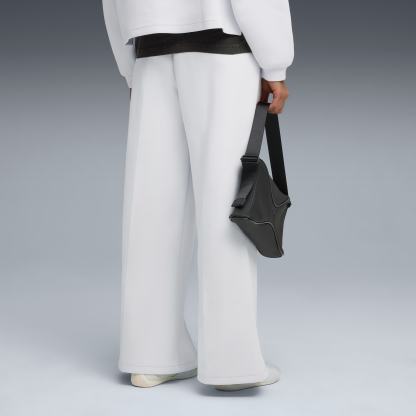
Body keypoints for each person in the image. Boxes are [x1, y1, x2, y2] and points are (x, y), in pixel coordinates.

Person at [102, 0, 294, 391]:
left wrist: (129, 65)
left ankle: (151, 356)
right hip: (221, 49)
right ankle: (232, 365)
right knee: (226, 204)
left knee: (151, 205)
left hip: (150, 47)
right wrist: (274, 64)